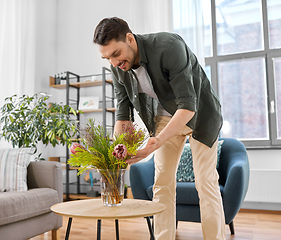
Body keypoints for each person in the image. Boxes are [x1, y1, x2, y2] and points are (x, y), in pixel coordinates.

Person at [93, 17, 226, 240]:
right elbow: (123, 113)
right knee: (162, 184)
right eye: (107, 58)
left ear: (129, 38)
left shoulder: (169, 47)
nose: (114, 62)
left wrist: (156, 142)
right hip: (165, 116)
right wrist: (116, 151)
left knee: (205, 182)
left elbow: (187, 105)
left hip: (200, 115)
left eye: (116, 54)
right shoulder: (117, 69)